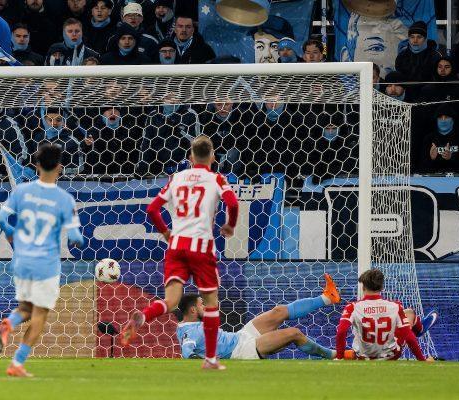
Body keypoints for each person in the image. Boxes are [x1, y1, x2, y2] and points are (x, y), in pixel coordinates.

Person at [120, 136, 239, 370]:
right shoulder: (217, 179)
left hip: (176, 246)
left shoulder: (176, 178)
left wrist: (165, 232)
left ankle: (144, 316)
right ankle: (211, 359)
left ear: (191, 157)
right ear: (212, 156)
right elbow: (233, 204)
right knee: (211, 304)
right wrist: (230, 226)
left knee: (171, 301)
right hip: (201, 247)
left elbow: (152, 209)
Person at [0, 144, 84, 377]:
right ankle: (17, 363)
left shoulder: (21, 191)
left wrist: (12, 233)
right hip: (46, 263)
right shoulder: (65, 199)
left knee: (25, 308)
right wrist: (75, 239)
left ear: (37, 165)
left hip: (22, 260)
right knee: (40, 314)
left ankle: (9, 323)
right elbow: (76, 237)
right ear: (60, 167)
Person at [176, 274, 340, 360]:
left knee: (278, 311)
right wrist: (199, 359)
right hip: (241, 351)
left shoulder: (188, 325)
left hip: (240, 336)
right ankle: (335, 355)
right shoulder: (189, 332)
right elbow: (187, 350)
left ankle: (327, 297)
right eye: (201, 305)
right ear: (192, 310)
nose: (205, 307)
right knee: (294, 333)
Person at [335, 269, 428, 361]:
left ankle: (418, 328)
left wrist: (339, 357)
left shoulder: (352, 307)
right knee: (409, 313)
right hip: (390, 356)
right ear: (382, 287)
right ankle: (419, 328)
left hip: (363, 357)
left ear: (363, 287)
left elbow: (341, 332)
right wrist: (422, 360)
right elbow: (408, 336)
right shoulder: (395, 306)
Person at [135, 96, 200, 176]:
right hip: (158, 169)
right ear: (162, 97)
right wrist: (143, 167)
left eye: (174, 94)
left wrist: (179, 130)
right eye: (168, 96)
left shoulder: (190, 114)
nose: (171, 99)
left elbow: (196, 143)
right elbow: (146, 143)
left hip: (182, 168)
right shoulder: (153, 115)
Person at [25, 107, 85, 175]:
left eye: (58, 120)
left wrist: (63, 170)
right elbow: (30, 161)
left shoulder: (72, 141)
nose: (54, 123)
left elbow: (80, 167)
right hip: (39, 178)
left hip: (62, 180)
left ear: (63, 120)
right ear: (45, 120)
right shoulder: (38, 138)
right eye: (50, 120)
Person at [395, 21, 443, 102]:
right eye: (412, 37)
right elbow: (399, 78)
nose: (415, 40)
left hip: (429, 99)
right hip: (406, 99)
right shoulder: (402, 56)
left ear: (425, 38)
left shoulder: (435, 56)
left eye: (419, 37)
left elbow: (438, 80)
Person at [420, 104, 459, 173]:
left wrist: (452, 157)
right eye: (440, 117)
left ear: (453, 120)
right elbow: (422, 167)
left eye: (446, 117)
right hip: (434, 177)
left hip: (458, 177)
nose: (443, 120)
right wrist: (431, 159)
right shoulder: (429, 139)